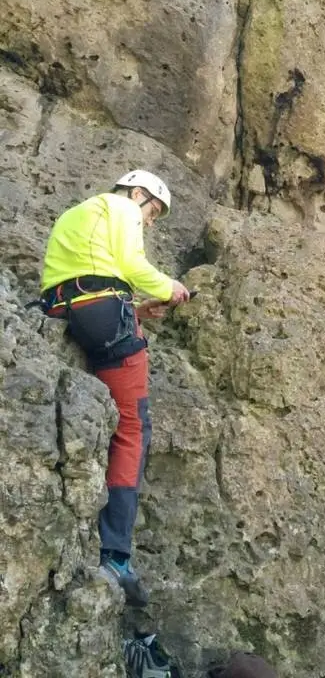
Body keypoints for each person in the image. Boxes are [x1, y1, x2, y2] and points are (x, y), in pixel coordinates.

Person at [39, 170, 190, 606]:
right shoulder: (122, 207)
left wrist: (136, 309)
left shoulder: (77, 212)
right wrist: (170, 289)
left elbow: (94, 273)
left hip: (65, 306)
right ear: (137, 193)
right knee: (132, 428)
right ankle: (116, 554)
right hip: (104, 313)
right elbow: (131, 265)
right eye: (154, 210)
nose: (152, 220)